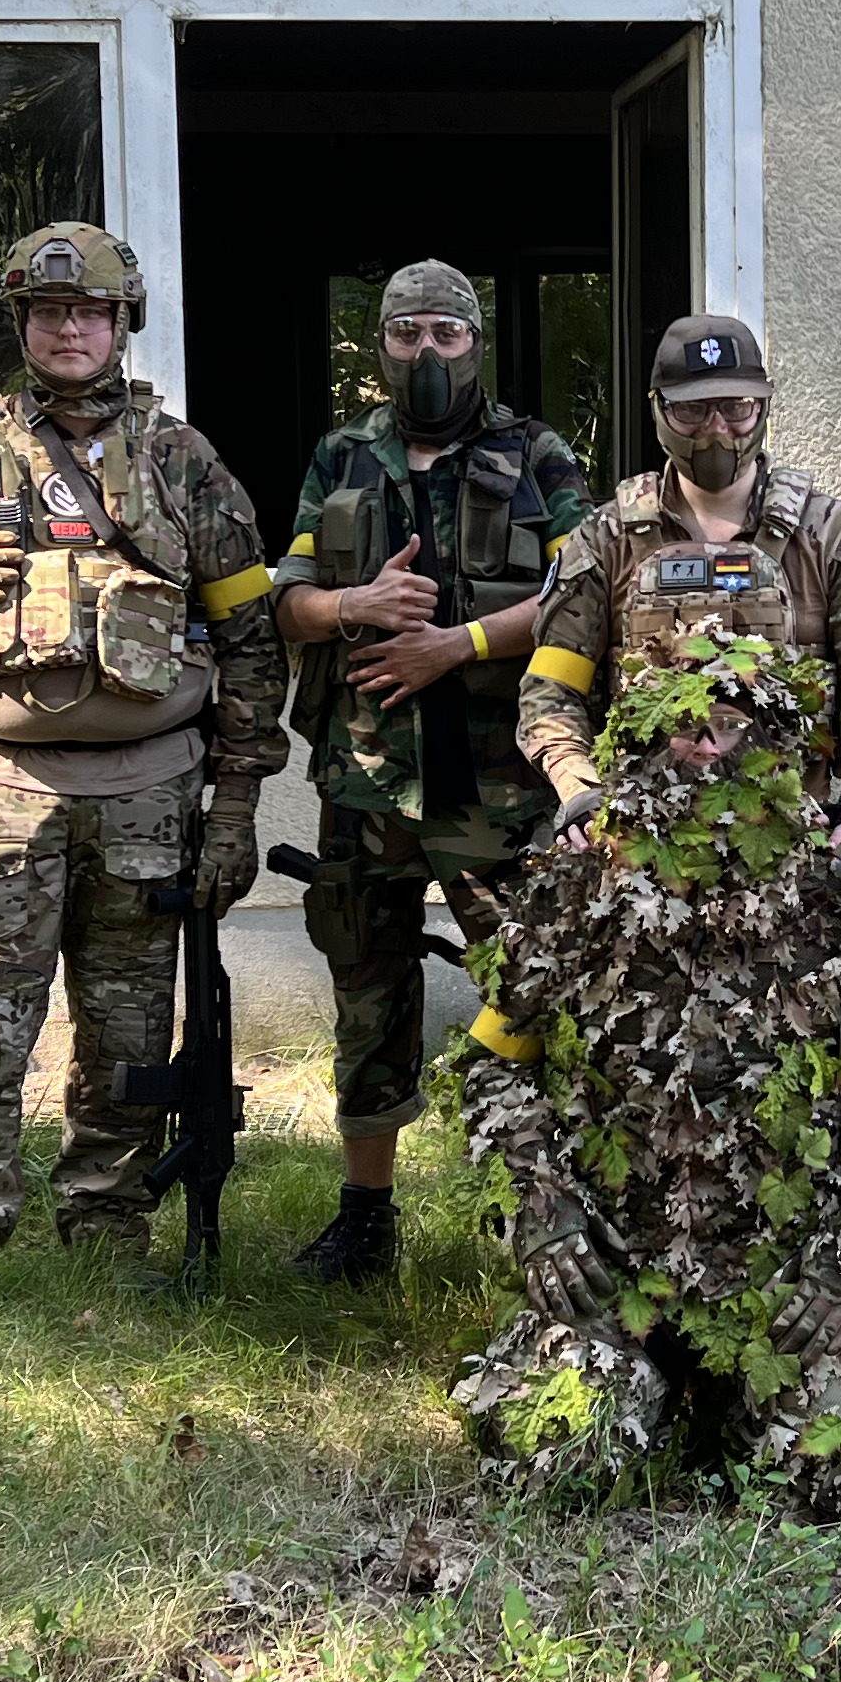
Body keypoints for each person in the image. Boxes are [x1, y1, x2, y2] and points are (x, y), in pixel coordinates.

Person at [0, 221, 288, 1363]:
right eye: (50, 314)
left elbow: (250, 642)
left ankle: (106, 1239)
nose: (71, 329)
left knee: (131, 1038)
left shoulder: (183, 463)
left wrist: (234, 810)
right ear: (24, 326)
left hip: (150, 794)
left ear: (121, 322)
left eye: (91, 311)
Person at [450, 627, 841, 1510]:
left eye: (733, 730)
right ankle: (646, 1395)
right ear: (642, 741)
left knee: (839, 1476)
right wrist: (545, 1218)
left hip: (788, 1286)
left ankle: (744, 1404)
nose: (707, 751)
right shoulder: (576, 890)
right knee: (557, 1459)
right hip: (624, 1281)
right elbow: (494, 1070)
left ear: (777, 750)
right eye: (687, 730)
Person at [271, 260, 593, 1285]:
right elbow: (286, 603)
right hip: (366, 783)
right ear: (382, 345)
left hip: (498, 786)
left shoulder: (536, 454)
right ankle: (365, 1217)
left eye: (446, 335)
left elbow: (587, 596)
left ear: (476, 342)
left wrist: (454, 645)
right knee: (367, 987)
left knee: (535, 992)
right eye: (406, 333)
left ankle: (547, 1213)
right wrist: (354, 608)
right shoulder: (341, 455)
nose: (426, 352)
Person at [513, 311, 841, 864]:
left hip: (793, 842)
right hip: (643, 849)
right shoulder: (606, 541)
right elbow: (550, 691)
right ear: (659, 409)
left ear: (762, 407)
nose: (716, 429)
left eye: (736, 407)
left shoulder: (833, 537)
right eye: (692, 409)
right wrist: (580, 792)